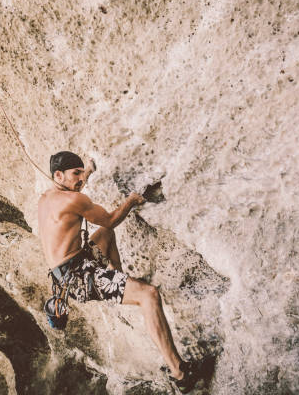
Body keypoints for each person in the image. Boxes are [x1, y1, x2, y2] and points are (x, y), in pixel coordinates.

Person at [37, 151, 197, 393]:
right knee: (149, 295)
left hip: (64, 276)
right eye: (76, 173)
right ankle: (180, 374)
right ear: (58, 175)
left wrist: (87, 172)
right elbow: (111, 219)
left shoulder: (48, 196)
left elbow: (75, 200)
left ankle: (118, 280)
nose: (80, 178)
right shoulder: (73, 199)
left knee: (104, 236)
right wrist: (132, 200)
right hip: (80, 278)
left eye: (82, 173)